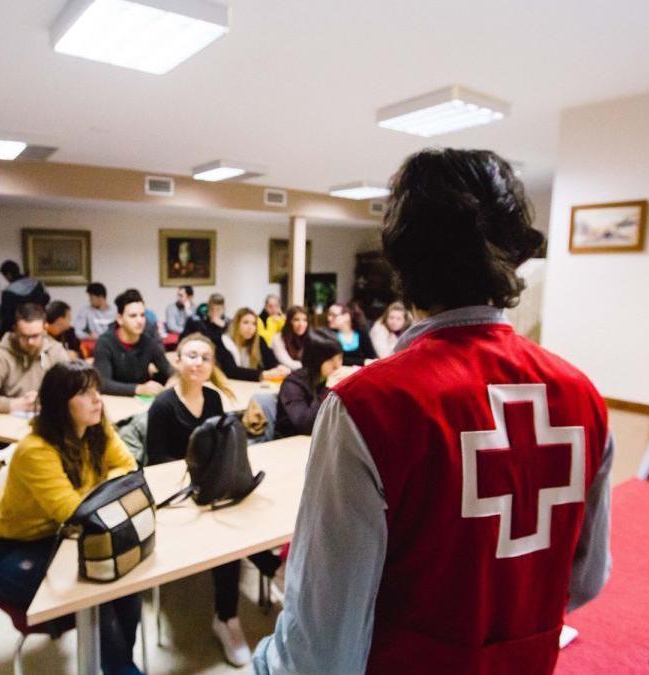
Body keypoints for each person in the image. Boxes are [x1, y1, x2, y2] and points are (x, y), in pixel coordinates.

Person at [254, 149, 613, 675]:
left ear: (400, 258)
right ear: (512, 254)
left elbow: (319, 652)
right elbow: (585, 581)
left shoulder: (369, 405)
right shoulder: (583, 395)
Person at [0, 361, 143, 675]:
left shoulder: (97, 429)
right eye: (85, 393)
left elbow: (129, 468)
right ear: (59, 404)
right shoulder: (35, 449)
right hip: (16, 551)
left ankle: (122, 664)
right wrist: (106, 487)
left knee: (126, 580)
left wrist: (97, 490)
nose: (98, 399)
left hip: (70, 537)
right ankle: (121, 669)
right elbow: (72, 512)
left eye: (97, 389)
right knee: (98, 589)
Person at [143, 334, 281, 666]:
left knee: (241, 517)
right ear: (177, 359)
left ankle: (260, 584)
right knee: (225, 533)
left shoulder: (214, 399)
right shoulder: (163, 405)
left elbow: (221, 450)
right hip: (177, 495)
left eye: (205, 358)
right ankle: (231, 614)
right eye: (191, 355)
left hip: (209, 487)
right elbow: (157, 462)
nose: (198, 363)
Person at [0, 303, 70, 413]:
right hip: (7, 423)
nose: (30, 342)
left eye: (35, 336)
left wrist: (43, 400)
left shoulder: (56, 352)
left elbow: (71, 393)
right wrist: (16, 404)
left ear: (45, 328)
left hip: (46, 419)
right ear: (15, 330)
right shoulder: (1, 355)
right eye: (24, 336)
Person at [92, 289, 173, 396]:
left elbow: (168, 369)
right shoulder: (105, 342)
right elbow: (103, 383)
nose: (140, 321)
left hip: (142, 402)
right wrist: (139, 389)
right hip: (114, 400)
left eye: (142, 315)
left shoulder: (148, 342)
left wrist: (174, 379)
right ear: (120, 319)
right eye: (133, 316)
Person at [273, 330, 344, 439]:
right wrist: (328, 390)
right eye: (330, 360)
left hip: (324, 440)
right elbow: (306, 426)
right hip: (290, 444)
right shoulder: (292, 384)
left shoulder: (329, 377)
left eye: (339, 358)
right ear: (316, 359)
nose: (337, 365)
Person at [218, 307, 289, 383]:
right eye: (246, 322)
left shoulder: (259, 340)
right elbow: (231, 371)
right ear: (236, 324)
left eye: (254, 324)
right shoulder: (224, 341)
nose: (250, 327)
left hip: (253, 387)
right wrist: (263, 374)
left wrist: (279, 368)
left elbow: (271, 362)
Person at [0, 260, 50, 340]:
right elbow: (46, 300)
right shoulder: (38, 285)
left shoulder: (8, 292)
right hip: (38, 326)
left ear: (8, 275)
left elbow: (6, 317)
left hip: (19, 331)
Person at [269, 305, 310, 371]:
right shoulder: (278, 339)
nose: (301, 324)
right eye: (296, 320)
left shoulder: (308, 338)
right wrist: (311, 365)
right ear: (289, 321)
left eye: (305, 320)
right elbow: (289, 364)